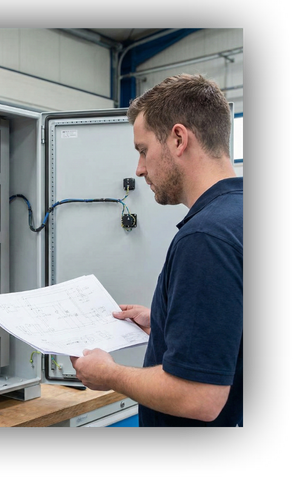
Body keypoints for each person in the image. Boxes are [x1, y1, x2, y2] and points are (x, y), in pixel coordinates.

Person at [70, 74, 243, 427]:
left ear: (178, 139)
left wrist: (111, 374)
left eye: (143, 150)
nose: (140, 168)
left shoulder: (205, 237)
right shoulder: (235, 217)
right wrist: (167, 323)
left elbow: (200, 397)